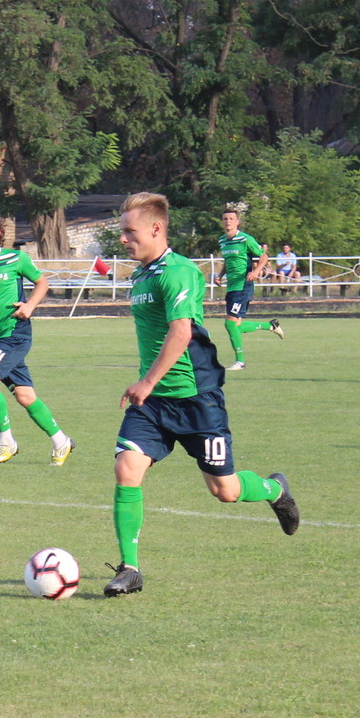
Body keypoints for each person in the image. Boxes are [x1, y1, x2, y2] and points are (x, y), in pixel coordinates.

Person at [102, 192, 298, 597]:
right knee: (126, 469)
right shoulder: (141, 275)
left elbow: (182, 332)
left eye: (128, 231)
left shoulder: (181, 272)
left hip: (196, 398)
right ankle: (130, 568)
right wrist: (149, 388)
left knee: (224, 491)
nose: (123, 239)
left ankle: (274, 489)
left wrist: (146, 382)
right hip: (154, 404)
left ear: (155, 229)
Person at [0, 207, 74, 465]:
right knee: (24, 395)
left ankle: (7, 441)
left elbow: (42, 282)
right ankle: (61, 440)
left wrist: (30, 306)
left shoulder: (15, 259)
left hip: (14, 333)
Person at [216, 208, 282, 369]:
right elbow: (228, 260)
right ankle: (270, 326)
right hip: (232, 286)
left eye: (231, 218)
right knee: (236, 325)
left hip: (243, 285)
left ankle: (240, 362)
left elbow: (264, 256)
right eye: (225, 219)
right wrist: (220, 275)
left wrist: (256, 271)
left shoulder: (245, 239)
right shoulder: (222, 241)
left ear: (237, 221)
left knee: (230, 324)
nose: (228, 221)